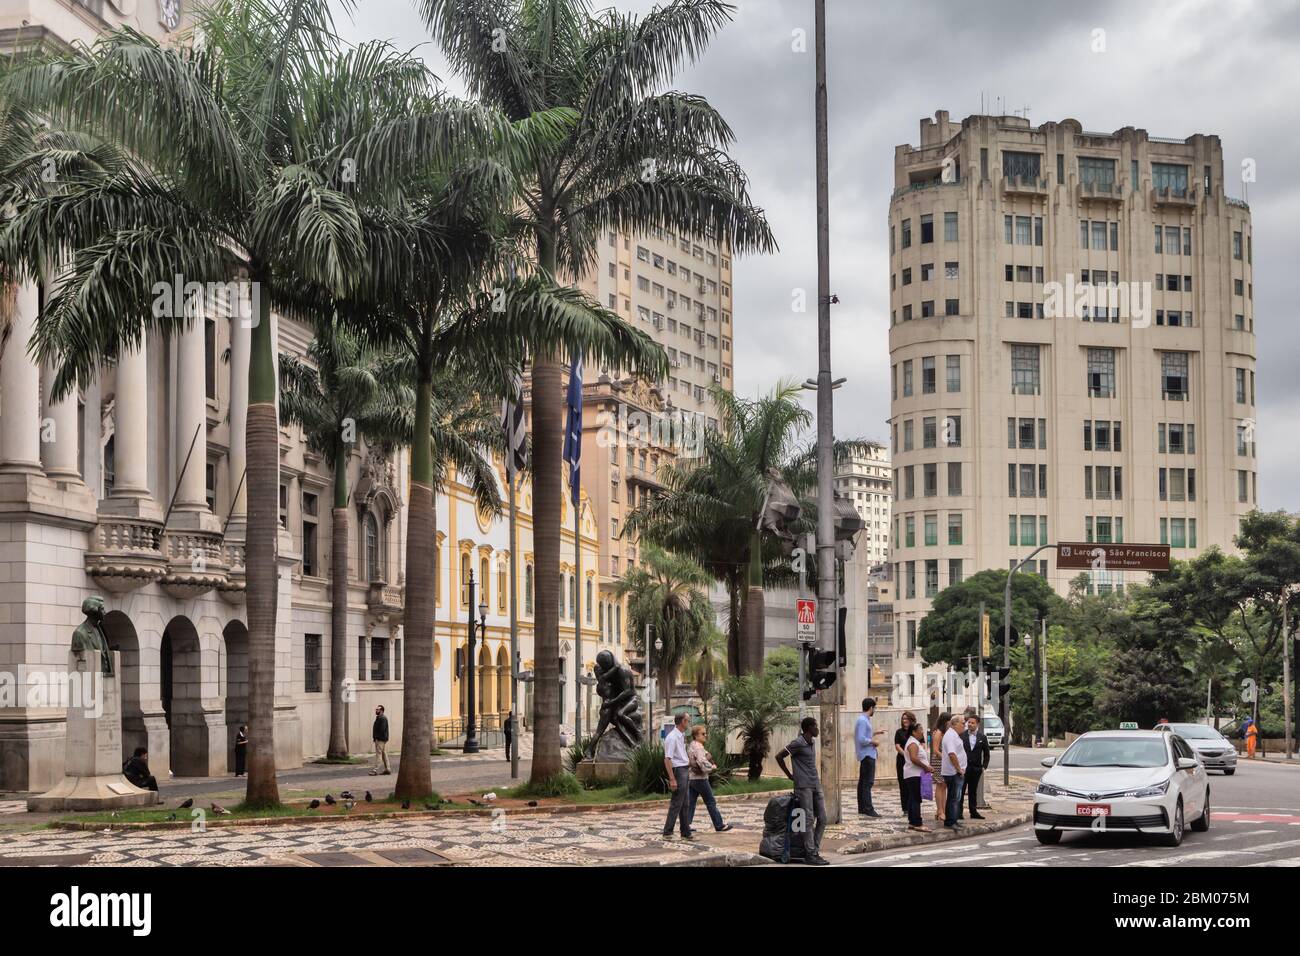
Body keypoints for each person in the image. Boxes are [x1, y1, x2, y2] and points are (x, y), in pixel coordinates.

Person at [775, 717, 829, 866]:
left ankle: (813, 850)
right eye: (815, 726)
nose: (817, 728)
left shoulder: (812, 742)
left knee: (823, 818)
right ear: (809, 728)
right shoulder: (797, 743)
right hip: (803, 786)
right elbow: (779, 756)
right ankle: (810, 855)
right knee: (808, 819)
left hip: (815, 784)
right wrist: (789, 775)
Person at [686, 724, 734, 832]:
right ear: (696, 735)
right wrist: (712, 767)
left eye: (705, 733)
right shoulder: (698, 747)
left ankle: (686, 825)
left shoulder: (692, 745)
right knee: (710, 802)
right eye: (702, 734)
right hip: (700, 779)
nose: (705, 735)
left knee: (692, 802)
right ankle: (719, 825)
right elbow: (702, 762)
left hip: (692, 778)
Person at [661, 712, 693, 840]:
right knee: (676, 802)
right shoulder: (672, 737)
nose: (689, 723)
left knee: (685, 803)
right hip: (678, 771)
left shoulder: (681, 736)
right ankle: (668, 832)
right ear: (682, 722)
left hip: (684, 770)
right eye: (688, 720)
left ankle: (685, 832)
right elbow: (667, 759)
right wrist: (672, 779)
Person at [855, 697, 886, 816]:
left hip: (866, 755)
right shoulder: (863, 720)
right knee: (867, 782)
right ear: (871, 708)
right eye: (874, 708)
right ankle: (868, 808)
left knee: (863, 782)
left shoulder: (863, 719)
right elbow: (862, 739)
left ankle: (862, 808)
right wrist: (874, 742)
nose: (875, 710)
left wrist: (875, 732)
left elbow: (863, 735)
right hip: (867, 755)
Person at [901, 721, 932, 832]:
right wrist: (925, 767)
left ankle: (912, 821)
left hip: (914, 773)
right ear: (914, 732)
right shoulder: (913, 743)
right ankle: (917, 823)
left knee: (912, 798)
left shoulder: (915, 742)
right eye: (920, 729)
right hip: (914, 774)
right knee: (915, 798)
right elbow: (914, 758)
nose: (922, 732)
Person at [961, 714, 990, 820]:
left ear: (977, 724)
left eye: (972, 723)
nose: (970, 724)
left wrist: (983, 767)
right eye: (969, 722)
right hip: (964, 768)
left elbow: (986, 753)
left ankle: (973, 812)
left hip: (976, 769)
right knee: (961, 790)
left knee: (973, 791)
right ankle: (959, 813)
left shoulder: (982, 737)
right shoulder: (962, 735)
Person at [941, 713, 967, 828]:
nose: (964, 725)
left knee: (955, 797)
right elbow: (952, 754)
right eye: (962, 723)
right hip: (953, 772)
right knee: (954, 798)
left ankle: (953, 819)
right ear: (955, 724)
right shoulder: (951, 736)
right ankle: (951, 821)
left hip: (955, 772)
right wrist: (959, 769)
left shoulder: (954, 735)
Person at [894, 710, 917, 812]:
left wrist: (913, 756)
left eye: (906, 718)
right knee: (903, 784)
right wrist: (906, 755)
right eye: (903, 718)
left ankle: (913, 806)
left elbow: (922, 744)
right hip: (902, 760)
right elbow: (897, 746)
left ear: (911, 720)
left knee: (912, 784)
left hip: (914, 761)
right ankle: (905, 808)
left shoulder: (916, 731)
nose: (904, 720)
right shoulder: (899, 732)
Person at [930, 713, 949, 823]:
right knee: (939, 784)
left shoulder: (946, 733)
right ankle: (940, 810)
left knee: (944, 786)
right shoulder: (938, 732)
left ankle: (943, 810)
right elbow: (936, 750)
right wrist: (946, 758)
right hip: (938, 760)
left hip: (945, 761)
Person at [369, 705, 390, 775]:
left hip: (380, 739)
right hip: (381, 739)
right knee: (384, 754)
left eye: (377, 709)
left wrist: (377, 738)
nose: (376, 710)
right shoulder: (379, 718)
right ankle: (387, 769)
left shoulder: (382, 718)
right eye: (376, 709)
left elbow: (382, 729)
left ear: (381, 710)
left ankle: (375, 770)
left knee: (379, 754)